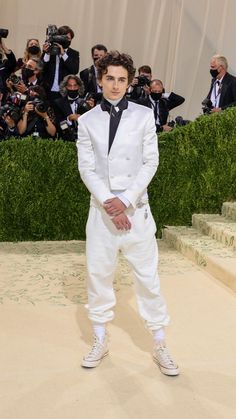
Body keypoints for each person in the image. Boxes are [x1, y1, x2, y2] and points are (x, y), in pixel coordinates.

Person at [76, 50, 179, 376]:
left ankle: (160, 344)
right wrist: (110, 203)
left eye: (122, 79)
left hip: (137, 213)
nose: (116, 85)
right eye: (110, 78)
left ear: (130, 81)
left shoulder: (144, 115)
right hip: (101, 215)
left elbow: (151, 162)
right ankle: (100, 339)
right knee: (98, 276)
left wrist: (127, 201)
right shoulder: (87, 120)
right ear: (100, 79)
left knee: (148, 279)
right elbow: (86, 168)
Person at [42, 25, 80, 104]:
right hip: (48, 91)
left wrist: (63, 54)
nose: (68, 40)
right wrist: (47, 53)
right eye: (66, 38)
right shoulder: (51, 51)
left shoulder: (74, 54)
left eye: (69, 39)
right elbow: (42, 68)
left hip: (64, 93)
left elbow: (74, 70)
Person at [54, 74, 95, 141]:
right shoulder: (58, 103)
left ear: (79, 87)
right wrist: (69, 119)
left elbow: (92, 124)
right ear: (65, 87)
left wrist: (92, 109)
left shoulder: (85, 102)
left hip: (84, 139)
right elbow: (58, 125)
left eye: (75, 85)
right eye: (70, 86)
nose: (72, 88)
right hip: (66, 140)